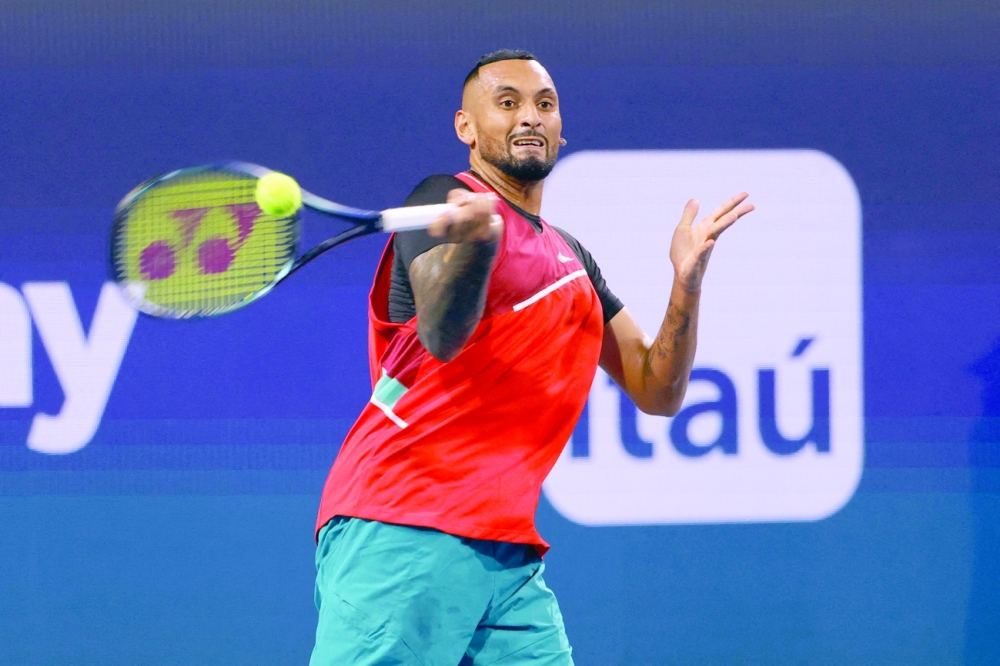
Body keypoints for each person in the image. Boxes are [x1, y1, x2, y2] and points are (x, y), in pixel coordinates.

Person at [310, 49, 754, 665]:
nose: (529, 118)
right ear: (466, 127)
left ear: (561, 129)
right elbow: (442, 333)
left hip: (507, 558)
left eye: (544, 105)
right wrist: (476, 243)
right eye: (508, 102)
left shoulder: (573, 261)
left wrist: (687, 281)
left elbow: (659, 390)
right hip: (402, 523)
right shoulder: (444, 201)